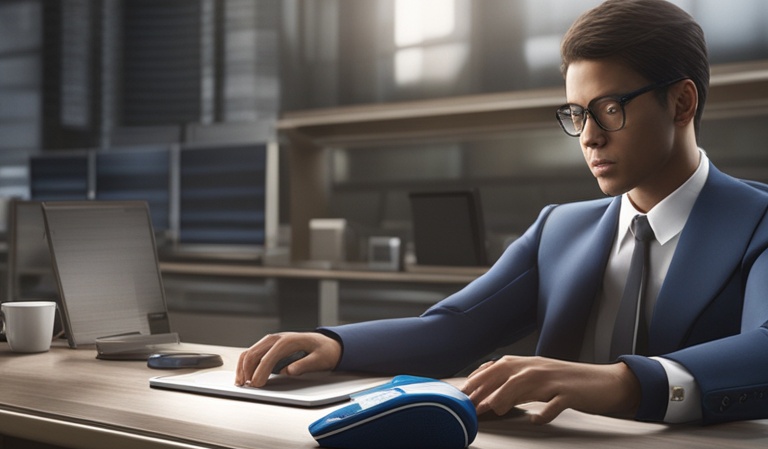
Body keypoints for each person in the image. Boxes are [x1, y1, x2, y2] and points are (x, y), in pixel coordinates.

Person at [235, 0, 768, 426]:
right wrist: (333, 343)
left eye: (610, 109)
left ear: (681, 103)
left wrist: (623, 383)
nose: (589, 137)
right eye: (577, 114)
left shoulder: (756, 222)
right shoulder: (560, 228)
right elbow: (453, 330)